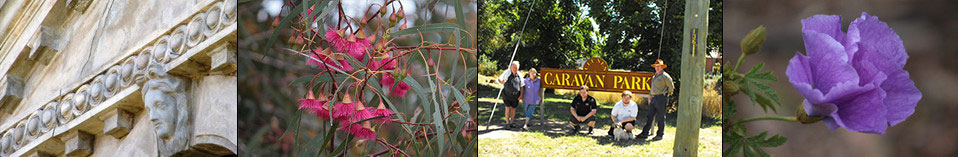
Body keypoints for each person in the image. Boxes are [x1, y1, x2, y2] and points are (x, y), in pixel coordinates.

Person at [637, 59, 674, 141]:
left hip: (661, 98)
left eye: (658, 66)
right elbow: (652, 88)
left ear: (662, 67)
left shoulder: (665, 76)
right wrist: (650, 96)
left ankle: (660, 134)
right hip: (653, 98)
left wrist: (666, 94)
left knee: (661, 117)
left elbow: (671, 87)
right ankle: (645, 133)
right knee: (649, 116)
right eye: (656, 66)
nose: (657, 68)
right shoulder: (654, 76)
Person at [497, 61, 524, 129]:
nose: (515, 68)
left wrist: (521, 95)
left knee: (513, 109)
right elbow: (499, 79)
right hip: (507, 94)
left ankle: (511, 122)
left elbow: (522, 86)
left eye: (516, 67)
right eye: (514, 67)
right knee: (507, 108)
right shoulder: (507, 72)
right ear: (511, 67)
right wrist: (501, 81)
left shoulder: (519, 75)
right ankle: (507, 123)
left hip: (516, 96)